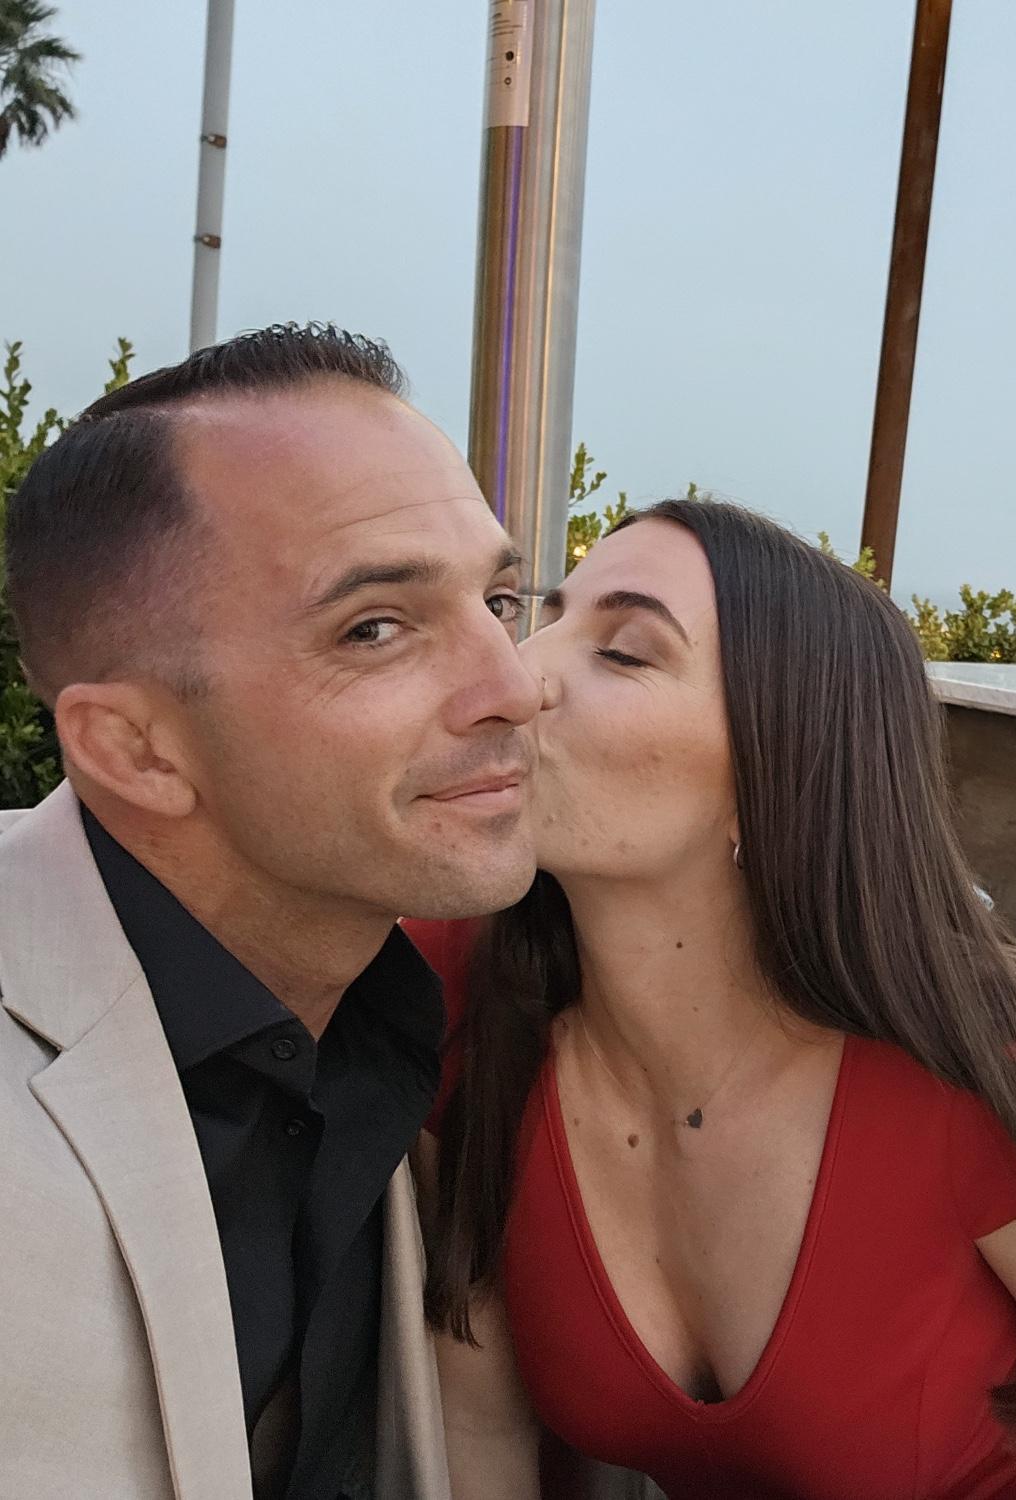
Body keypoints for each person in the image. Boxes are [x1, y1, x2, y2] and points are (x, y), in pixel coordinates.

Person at [409, 501, 1016, 1499]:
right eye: (533, 615)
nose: (512, 673)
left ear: (778, 773)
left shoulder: (994, 1080)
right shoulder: (468, 1002)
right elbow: (476, 1421)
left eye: (623, 652)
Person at [0, 325, 543, 1500]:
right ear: (136, 749)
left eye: (502, 599)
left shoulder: (420, 1025)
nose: (515, 683)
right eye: (376, 627)